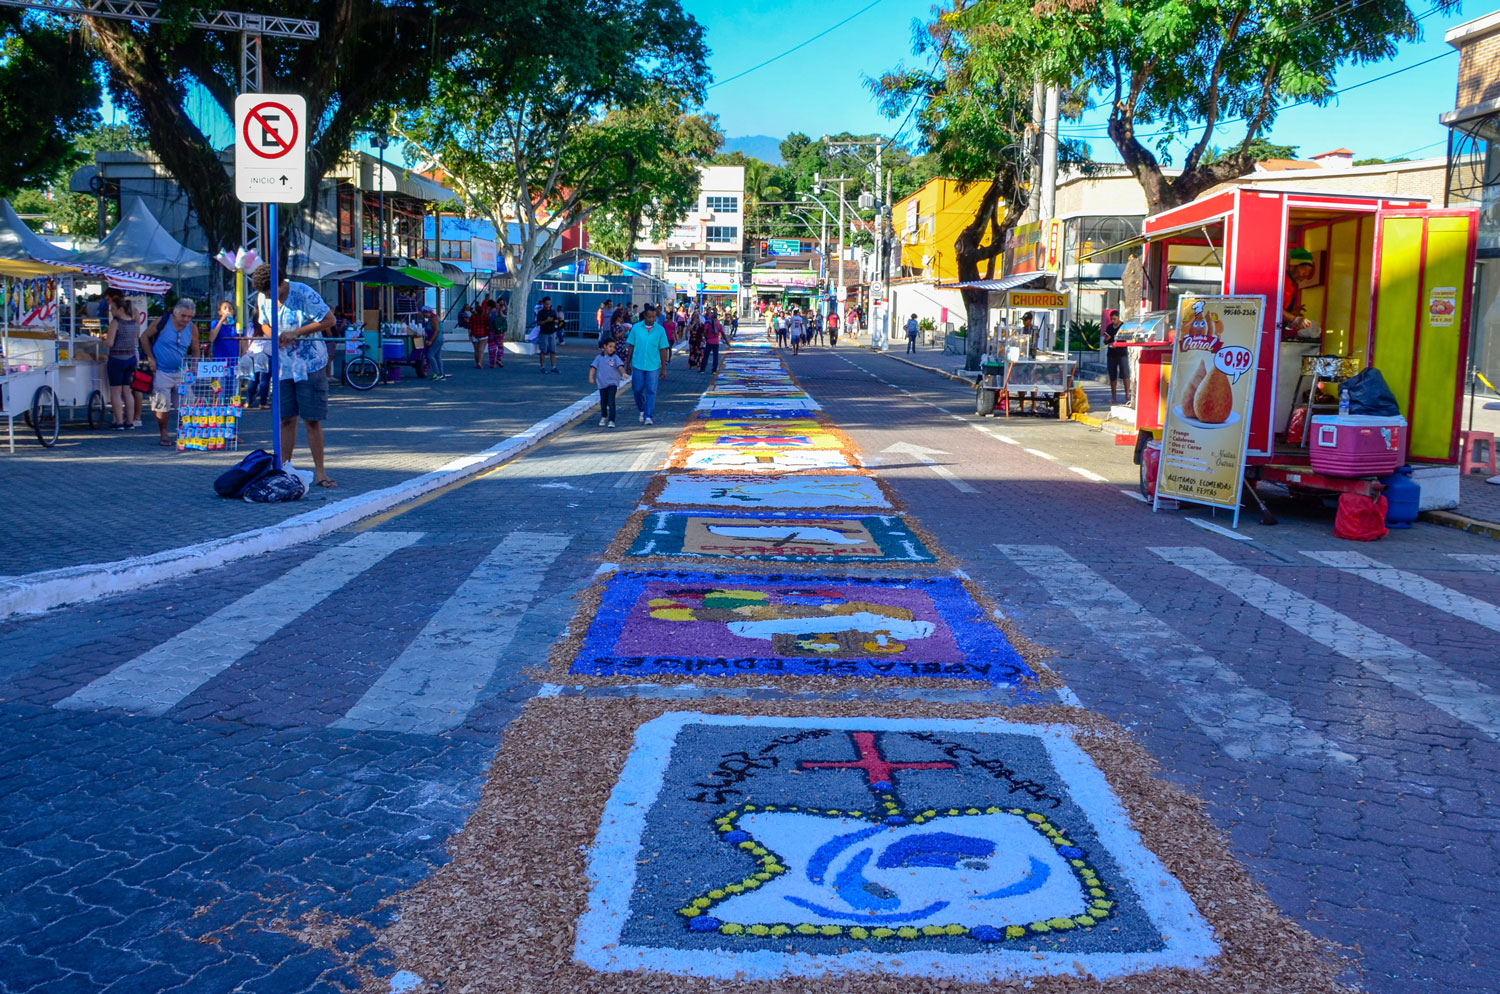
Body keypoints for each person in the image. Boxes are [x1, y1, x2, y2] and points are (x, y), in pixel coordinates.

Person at [252, 262, 338, 487]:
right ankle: (284, 467)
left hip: (310, 365)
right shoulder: (263, 298)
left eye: (271, 293)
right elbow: (265, 325)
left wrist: (296, 333)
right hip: (284, 367)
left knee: (311, 419)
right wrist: (276, 335)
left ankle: (320, 472)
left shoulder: (304, 293)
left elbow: (330, 320)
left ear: (281, 283)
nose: (268, 298)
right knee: (286, 419)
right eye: (265, 294)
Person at [139, 298, 200, 446]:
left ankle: (182, 432)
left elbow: (196, 348)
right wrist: (150, 358)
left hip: (181, 371)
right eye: (183, 316)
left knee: (187, 404)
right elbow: (144, 337)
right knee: (162, 404)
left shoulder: (192, 328)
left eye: (189, 317)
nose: (186, 320)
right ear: (175, 313)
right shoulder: (164, 321)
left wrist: (195, 364)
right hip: (161, 370)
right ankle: (164, 432)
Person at [102, 290, 141, 431]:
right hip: (130, 358)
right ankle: (130, 422)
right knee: (127, 391)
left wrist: (104, 339)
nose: (111, 311)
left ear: (120, 309)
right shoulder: (133, 323)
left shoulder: (116, 323)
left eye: (112, 308)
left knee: (115, 392)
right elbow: (135, 339)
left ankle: (119, 421)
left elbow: (110, 343)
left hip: (116, 359)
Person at [625, 304, 670, 424]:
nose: (652, 320)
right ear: (645, 316)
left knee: (651, 391)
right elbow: (631, 346)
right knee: (637, 390)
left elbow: (663, 349)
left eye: (654, 317)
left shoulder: (660, 330)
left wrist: (664, 368)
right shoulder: (636, 328)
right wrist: (627, 364)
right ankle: (642, 408)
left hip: (653, 366)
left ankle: (648, 416)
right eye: (649, 317)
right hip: (638, 364)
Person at [589, 336, 627, 428]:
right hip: (602, 384)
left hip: (613, 383)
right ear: (605, 346)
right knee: (603, 402)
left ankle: (611, 420)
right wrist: (591, 377)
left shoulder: (615, 358)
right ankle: (604, 416)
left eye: (614, 347)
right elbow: (593, 367)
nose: (612, 349)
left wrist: (623, 373)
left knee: (611, 400)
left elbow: (620, 366)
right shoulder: (599, 357)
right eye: (610, 346)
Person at [1283, 247, 1317, 336]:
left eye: (1309, 271)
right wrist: (1294, 319)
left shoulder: (1291, 283)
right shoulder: (1284, 281)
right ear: (1291, 267)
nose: (1306, 274)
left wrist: (1292, 312)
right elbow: (1274, 308)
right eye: (1303, 269)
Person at [1102, 310, 1130, 404]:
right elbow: (1105, 341)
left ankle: (1127, 396)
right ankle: (1114, 397)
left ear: (1118, 317)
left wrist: (1117, 343)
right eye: (1112, 319)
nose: (1113, 321)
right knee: (1112, 376)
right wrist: (1106, 340)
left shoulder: (1123, 326)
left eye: (1115, 319)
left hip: (1122, 354)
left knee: (1125, 375)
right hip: (1111, 354)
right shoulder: (1109, 327)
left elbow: (1127, 338)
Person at [535, 295, 560, 373]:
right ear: (543, 304)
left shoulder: (553, 312)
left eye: (549, 304)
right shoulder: (541, 313)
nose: (547, 306)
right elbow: (538, 322)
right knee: (543, 351)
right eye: (546, 304)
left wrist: (556, 321)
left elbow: (557, 320)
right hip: (544, 333)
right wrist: (546, 321)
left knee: (553, 351)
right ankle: (542, 367)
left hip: (552, 332)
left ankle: (554, 367)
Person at [700, 308, 724, 373]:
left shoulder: (708, 323)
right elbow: (722, 332)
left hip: (709, 341)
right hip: (716, 342)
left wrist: (706, 337)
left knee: (706, 355)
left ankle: (702, 369)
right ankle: (714, 370)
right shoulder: (718, 323)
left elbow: (704, 330)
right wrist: (727, 341)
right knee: (715, 356)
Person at [487, 298, 507, 368]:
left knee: (492, 347)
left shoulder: (488, 313)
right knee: (500, 346)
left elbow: (487, 322)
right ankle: (499, 359)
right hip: (499, 331)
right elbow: (503, 318)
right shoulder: (498, 312)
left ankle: (492, 363)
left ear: (489, 306)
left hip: (491, 331)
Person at [469, 300, 489, 368]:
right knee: (481, 350)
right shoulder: (484, 317)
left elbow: (470, 327)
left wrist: (469, 336)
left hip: (475, 334)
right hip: (483, 334)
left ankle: (477, 362)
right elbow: (487, 325)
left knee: (476, 350)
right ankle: (480, 362)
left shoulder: (472, 317)